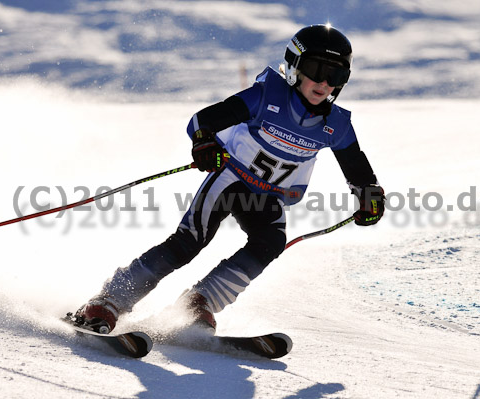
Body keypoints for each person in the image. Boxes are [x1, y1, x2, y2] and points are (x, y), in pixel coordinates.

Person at [73, 24, 385, 335]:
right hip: (230, 180)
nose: (324, 82)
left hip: (268, 196)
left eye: (336, 76)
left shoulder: (337, 125)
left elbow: (356, 166)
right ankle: (109, 300)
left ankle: (198, 303)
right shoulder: (265, 97)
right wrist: (205, 141)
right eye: (317, 69)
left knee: (270, 242)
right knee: (188, 242)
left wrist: (369, 194)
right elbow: (202, 121)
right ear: (294, 67)